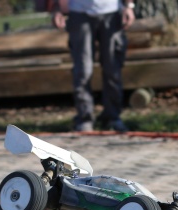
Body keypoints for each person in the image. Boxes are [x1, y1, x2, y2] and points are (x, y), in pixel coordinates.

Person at [52, 0, 135, 133]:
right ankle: (85, 119)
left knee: (112, 69)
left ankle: (113, 118)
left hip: (112, 11)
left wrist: (128, 6)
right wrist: (57, 8)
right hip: (79, 12)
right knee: (83, 71)